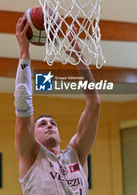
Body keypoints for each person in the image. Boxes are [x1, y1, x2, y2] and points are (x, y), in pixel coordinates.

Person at [14, 16, 101, 195]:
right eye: (42, 124)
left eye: (53, 123)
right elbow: (22, 100)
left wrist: (80, 59)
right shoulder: (30, 155)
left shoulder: (76, 154)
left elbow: (94, 104)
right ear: (33, 134)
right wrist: (24, 53)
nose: (49, 126)